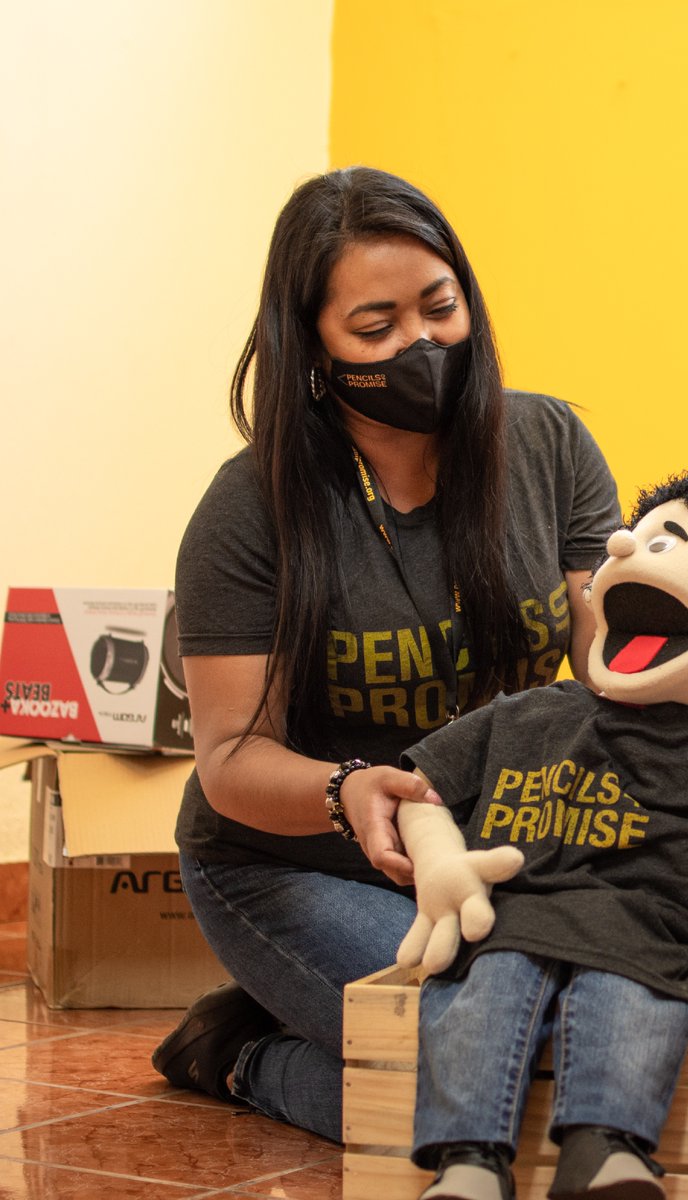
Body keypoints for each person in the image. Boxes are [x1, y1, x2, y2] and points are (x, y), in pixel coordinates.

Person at [150, 166, 621, 1144]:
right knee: (467, 1067)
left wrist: (681, 656)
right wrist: (347, 789)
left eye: (440, 306)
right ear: (314, 348)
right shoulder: (250, 510)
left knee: (590, 1035)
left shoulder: (550, 444)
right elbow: (232, 759)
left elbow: (603, 655)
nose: (424, 343)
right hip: (287, 862)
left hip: (476, 857)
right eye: (377, 328)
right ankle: (240, 1052)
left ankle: (314, 1013)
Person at [392, 471, 688, 1200]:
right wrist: (440, 858)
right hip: (504, 928)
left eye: (672, 541)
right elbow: (418, 785)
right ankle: (468, 1165)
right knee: (482, 999)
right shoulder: (532, 714)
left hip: (645, 945)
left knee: (628, 1006)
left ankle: (606, 1154)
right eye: (639, 536)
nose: (631, 546)